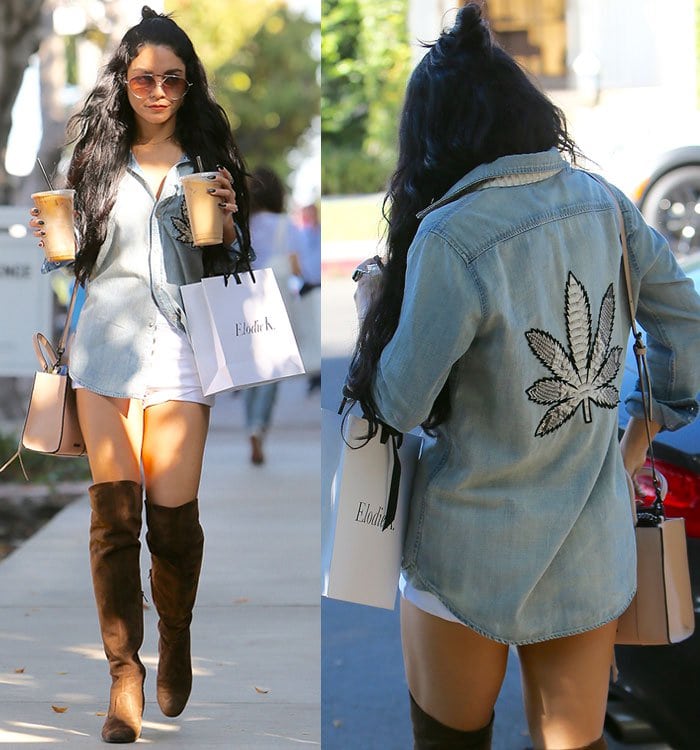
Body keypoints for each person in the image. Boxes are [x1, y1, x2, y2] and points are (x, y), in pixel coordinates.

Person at [347, 5, 700, 750]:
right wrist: (644, 426)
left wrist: (373, 308)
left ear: (435, 136)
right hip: (590, 545)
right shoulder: (602, 203)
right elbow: (685, 319)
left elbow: (400, 403)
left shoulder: (452, 234)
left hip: (469, 553)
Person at [29, 7, 251, 744]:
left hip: (184, 350)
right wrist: (53, 246)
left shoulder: (206, 159)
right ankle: (123, 674)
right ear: (123, 83)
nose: (158, 90)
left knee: (172, 519)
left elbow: (225, 261)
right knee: (112, 516)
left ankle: (177, 633)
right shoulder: (93, 159)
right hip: (104, 353)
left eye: (173, 79)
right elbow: (75, 260)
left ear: (190, 85)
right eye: (144, 77)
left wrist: (227, 214)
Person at [243, 165, 300, 465]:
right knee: (272, 373)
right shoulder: (283, 224)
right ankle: (258, 427)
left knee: (250, 371)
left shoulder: (243, 224)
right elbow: (296, 266)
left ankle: (250, 425)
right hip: (275, 306)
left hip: (245, 303)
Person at [295, 202, 322, 393]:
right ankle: (313, 373)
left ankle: (319, 374)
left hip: (319, 284)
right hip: (307, 285)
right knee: (309, 331)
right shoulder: (300, 235)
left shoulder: (320, 232)